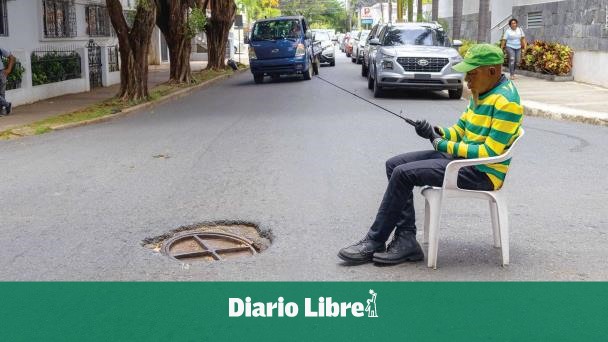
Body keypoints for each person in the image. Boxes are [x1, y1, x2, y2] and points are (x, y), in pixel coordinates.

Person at [338, 44, 524, 265]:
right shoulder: (480, 93)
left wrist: (441, 145)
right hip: (463, 162)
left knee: (402, 174)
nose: (467, 81)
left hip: (481, 172)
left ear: (492, 71)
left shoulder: (506, 102)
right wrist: (435, 132)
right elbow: (460, 131)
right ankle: (406, 238)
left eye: (472, 74)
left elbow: (489, 151)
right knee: (394, 164)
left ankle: (375, 240)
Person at [0, 46, 15, 116]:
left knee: (2, 93)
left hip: (1, 73)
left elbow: (11, 57)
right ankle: (7, 105)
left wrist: (9, 69)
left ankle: (1, 111)